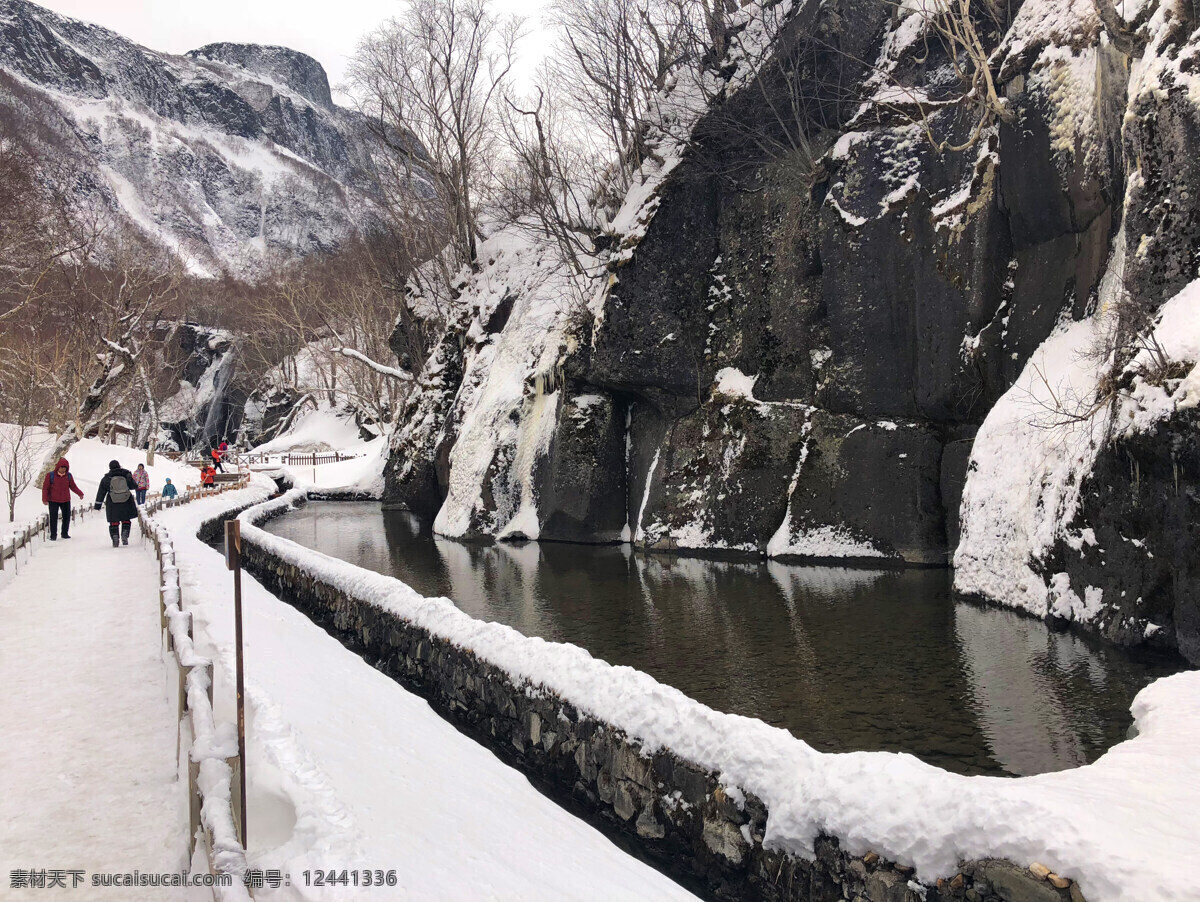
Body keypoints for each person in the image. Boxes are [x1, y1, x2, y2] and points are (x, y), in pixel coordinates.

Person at [94, 459, 138, 547]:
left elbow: (101, 492)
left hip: (113, 502)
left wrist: (97, 505)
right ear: (119, 465)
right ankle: (125, 534)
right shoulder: (126, 474)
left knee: (114, 521)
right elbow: (134, 486)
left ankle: (115, 536)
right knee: (126, 519)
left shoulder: (107, 478)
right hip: (126, 501)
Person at [41, 458, 84, 541]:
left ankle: (64, 533)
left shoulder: (68, 476)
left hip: (65, 500)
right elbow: (45, 488)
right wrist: (44, 499)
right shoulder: (50, 476)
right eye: (62, 467)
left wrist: (80, 493)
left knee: (67, 517)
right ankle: (53, 535)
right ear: (58, 467)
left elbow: (73, 486)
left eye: (65, 467)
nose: (63, 469)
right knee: (53, 518)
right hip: (53, 500)